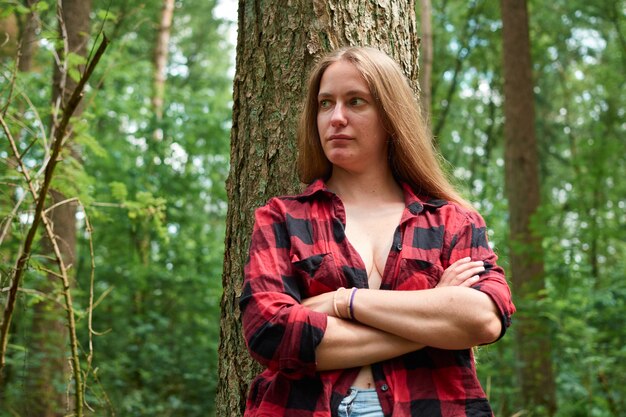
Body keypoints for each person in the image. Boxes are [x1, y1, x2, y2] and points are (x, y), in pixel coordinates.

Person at [239, 46, 515, 417]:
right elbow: (271, 333)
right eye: (325, 104)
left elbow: (483, 318)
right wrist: (434, 319)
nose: (336, 118)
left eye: (355, 102)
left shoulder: (453, 221)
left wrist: (343, 302)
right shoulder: (282, 218)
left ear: (390, 115)